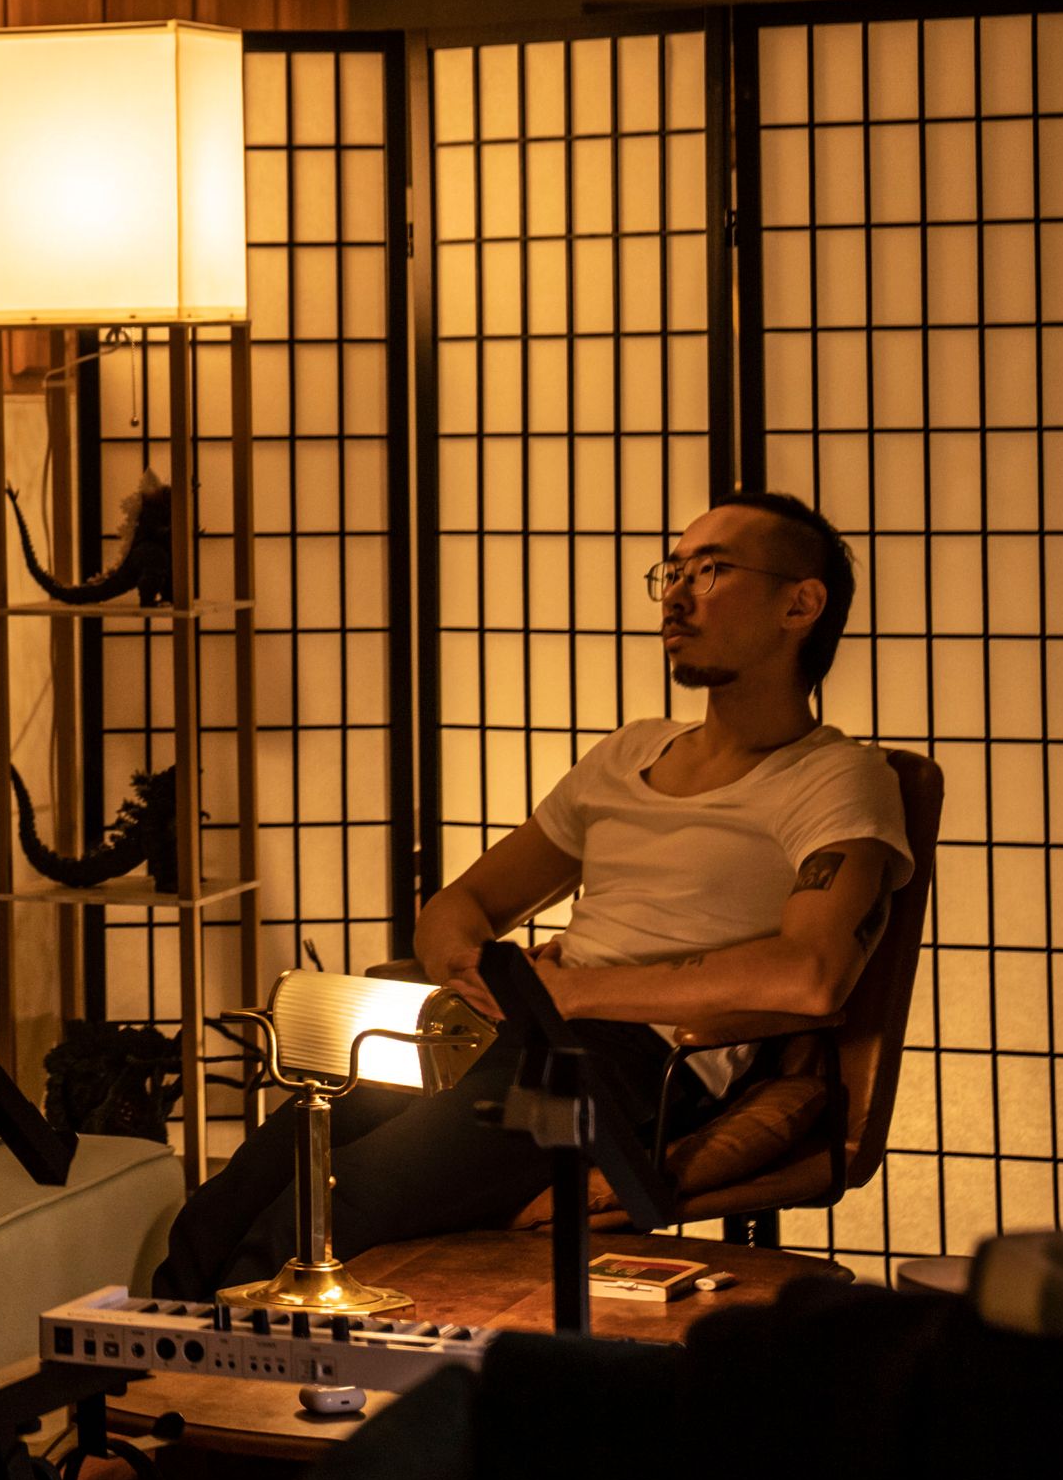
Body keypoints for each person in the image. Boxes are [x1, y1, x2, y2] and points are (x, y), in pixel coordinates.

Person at [157, 488, 911, 1300]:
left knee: (316, 1221)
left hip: (632, 1064)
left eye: (714, 570)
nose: (678, 594)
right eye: (674, 570)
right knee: (225, 1205)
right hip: (505, 1028)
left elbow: (811, 974)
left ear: (800, 603)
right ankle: (138, 1401)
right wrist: (469, 970)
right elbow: (457, 905)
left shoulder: (837, 777)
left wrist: (573, 992)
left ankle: (241, 1416)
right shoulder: (630, 754)